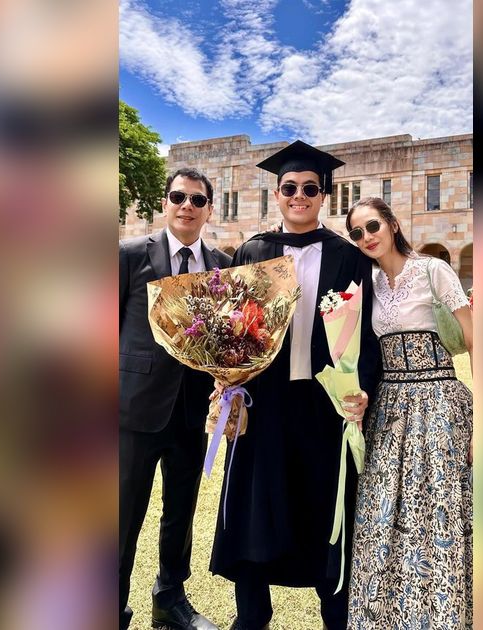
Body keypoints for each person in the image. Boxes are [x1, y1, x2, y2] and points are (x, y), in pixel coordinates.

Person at [209, 141, 381, 630]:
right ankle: (253, 613)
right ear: (277, 193)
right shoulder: (252, 251)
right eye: (290, 188)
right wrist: (227, 383)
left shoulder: (347, 257)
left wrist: (361, 387)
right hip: (264, 403)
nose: (299, 195)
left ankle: (336, 613)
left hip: (324, 404)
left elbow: (366, 333)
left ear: (323, 195)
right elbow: (232, 330)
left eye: (309, 188)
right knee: (256, 505)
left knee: (326, 506)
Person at [342, 198, 475, 628]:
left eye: (373, 225)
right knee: (382, 515)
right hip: (388, 408)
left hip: (438, 402)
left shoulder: (434, 271)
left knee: (436, 513)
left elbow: (478, 343)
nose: (366, 237)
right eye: (357, 232)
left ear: (393, 224)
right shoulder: (369, 283)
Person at [119, 168, 229, 630]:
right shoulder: (127, 254)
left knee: (180, 511)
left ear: (208, 208)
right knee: (121, 514)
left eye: (197, 199)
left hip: (191, 411)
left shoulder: (224, 264)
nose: (187, 205)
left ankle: (169, 597)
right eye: (178, 196)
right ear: (165, 202)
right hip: (134, 407)